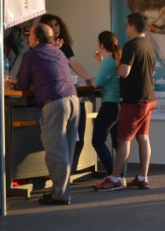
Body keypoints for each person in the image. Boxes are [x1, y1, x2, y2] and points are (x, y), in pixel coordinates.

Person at [5, 23, 80, 205]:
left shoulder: (31, 55)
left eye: (29, 35)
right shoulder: (58, 53)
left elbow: (22, 84)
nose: (28, 38)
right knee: (66, 151)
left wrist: (11, 84)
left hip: (54, 103)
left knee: (56, 152)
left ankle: (60, 195)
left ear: (36, 38)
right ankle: (60, 191)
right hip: (73, 101)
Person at [95, 12, 157, 190]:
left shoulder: (131, 45)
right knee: (143, 138)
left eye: (126, 25)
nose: (125, 29)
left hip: (134, 100)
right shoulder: (149, 46)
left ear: (131, 25)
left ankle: (114, 179)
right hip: (149, 98)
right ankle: (142, 176)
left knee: (124, 140)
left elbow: (124, 72)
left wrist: (116, 61)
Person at [90, 31, 125, 180]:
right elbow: (106, 77)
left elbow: (96, 83)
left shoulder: (108, 61)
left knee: (97, 140)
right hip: (117, 105)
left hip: (109, 105)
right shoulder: (113, 59)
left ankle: (112, 173)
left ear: (101, 45)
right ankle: (120, 174)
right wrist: (100, 61)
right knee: (117, 142)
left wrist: (86, 77)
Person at [39, 14, 92, 84]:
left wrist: (88, 78)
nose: (55, 28)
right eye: (51, 26)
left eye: (56, 25)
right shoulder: (40, 46)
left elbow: (73, 63)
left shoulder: (64, 44)